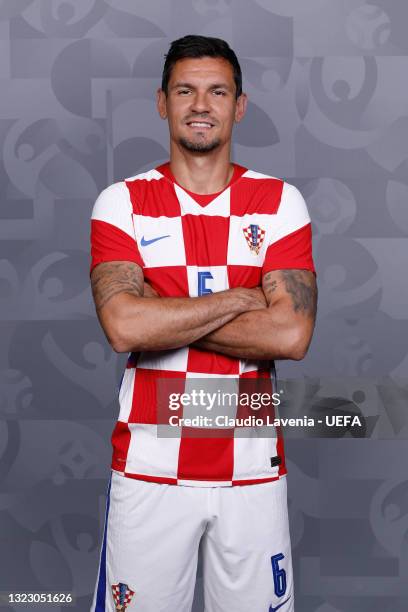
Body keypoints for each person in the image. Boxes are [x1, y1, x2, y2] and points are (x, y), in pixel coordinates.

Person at [89, 34, 317, 612]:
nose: (200, 104)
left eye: (217, 91)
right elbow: (122, 327)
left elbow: (290, 335)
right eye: (184, 90)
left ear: (239, 105)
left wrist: (161, 310)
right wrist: (244, 298)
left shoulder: (279, 201)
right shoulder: (123, 202)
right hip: (148, 466)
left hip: (252, 471)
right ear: (162, 102)